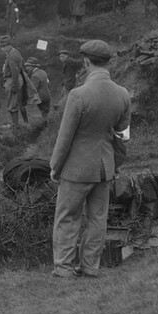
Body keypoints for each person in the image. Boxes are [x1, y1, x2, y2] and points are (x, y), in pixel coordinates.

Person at [49, 40, 131, 279]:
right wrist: (115, 164)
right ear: (108, 62)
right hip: (105, 168)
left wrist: (55, 166)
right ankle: (90, 266)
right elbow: (123, 137)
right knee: (98, 219)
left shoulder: (78, 95)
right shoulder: (123, 94)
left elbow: (65, 137)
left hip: (77, 169)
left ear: (85, 62)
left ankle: (64, 268)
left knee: (67, 217)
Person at [0, 34, 24, 128]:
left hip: (12, 80)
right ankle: (15, 124)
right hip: (12, 79)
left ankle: (15, 125)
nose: (2, 49)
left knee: (12, 104)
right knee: (12, 103)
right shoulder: (13, 52)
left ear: (7, 45)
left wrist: (14, 85)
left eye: (2, 46)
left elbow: (15, 71)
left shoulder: (12, 55)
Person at [24, 57, 52, 127]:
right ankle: (48, 127)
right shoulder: (43, 72)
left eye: (28, 66)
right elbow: (48, 84)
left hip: (41, 98)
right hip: (47, 96)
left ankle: (45, 127)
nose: (26, 68)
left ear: (32, 66)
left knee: (43, 114)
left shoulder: (34, 76)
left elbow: (33, 89)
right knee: (45, 113)